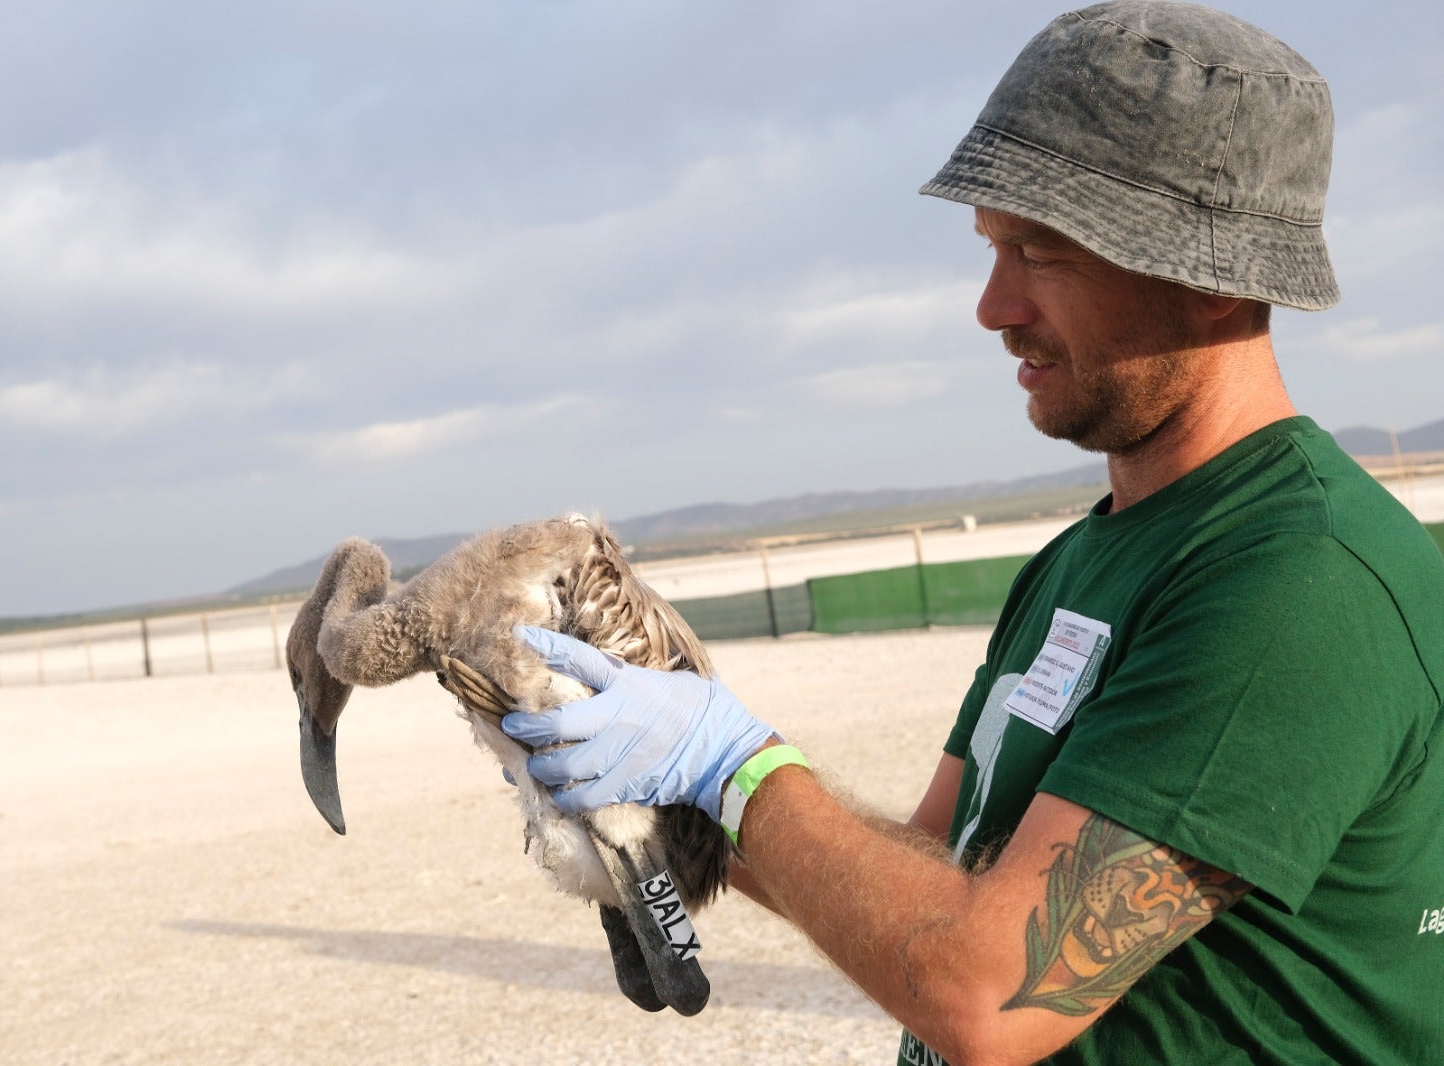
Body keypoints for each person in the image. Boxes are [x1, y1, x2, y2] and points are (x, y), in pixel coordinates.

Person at [503, 3, 1444, 1062]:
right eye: (992, 246)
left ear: (1214, 276)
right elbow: (928, 873)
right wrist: (663, 802)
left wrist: (731, 761)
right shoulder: (1082, 559)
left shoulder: (1297, 580)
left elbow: (987, 990)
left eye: (1040, 252)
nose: (992, 306)